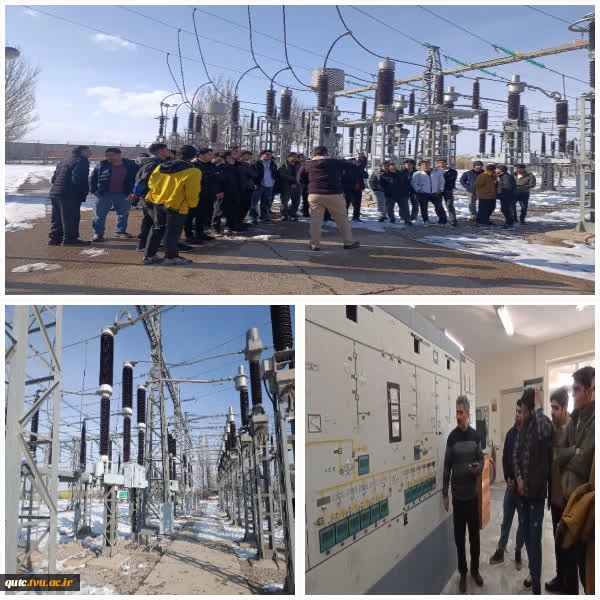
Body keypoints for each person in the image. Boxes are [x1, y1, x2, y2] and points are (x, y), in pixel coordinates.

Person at [556, 366, 595, 594]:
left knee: (586, 569)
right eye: (573, 389)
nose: (574, 394)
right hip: (567, 500)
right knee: (570, 560)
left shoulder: (594, 421)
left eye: (577, 389)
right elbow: (559, 455)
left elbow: (584, 463)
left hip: (584, 505)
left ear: (590, 390)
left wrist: (569, 456)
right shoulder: (574, 420)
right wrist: (574, 451)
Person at [442, 395, 484, 593]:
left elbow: (481, 460)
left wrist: (478, 468)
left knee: (474, 538)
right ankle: (463, 573)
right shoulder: (452, 438)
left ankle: (475, 570)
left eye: (461, 412)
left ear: (467, 413)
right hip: (458, 499)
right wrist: (445, 493)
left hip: (472, 498)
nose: (458, 416)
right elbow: (446, 467)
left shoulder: (476, 436)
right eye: (456, 412)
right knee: (460, 540)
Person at [513, 387, 553, 595]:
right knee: (528, 538)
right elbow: (515, 455)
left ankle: (536, 584)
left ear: (531, 408)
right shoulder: (522, 428)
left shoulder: (542, 424)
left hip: (536, 496)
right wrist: (519, 478)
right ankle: (532, 572)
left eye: (526, 409)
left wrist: (537, 407)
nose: (523, 413)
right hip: (523, 494)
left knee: (535, 540)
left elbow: (546, 431)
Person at [143, 145, 201, 266]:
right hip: (177, 204)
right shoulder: (193, 171)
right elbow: (192, 191)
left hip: (158, 202)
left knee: (157, 228)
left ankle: (149, 255)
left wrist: (158, 196)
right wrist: (192, 204)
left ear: (178, 154)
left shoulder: (161, 167)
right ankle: (171, 256)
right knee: (173, 231)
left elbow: (152, 183)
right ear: (194, 156)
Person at [296, 145, 359, 252]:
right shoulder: (336, 162)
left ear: (314, 154)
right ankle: (348, 242)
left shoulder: (307, 164)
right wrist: (361, 158)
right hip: (334, 194)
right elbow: (356, 167)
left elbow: (300, 179)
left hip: (314, 194)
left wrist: (311, 184)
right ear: (326, 153)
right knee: (342, 219)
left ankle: (314, 244)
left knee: (315, 221)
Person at [489, 399, 525, 568]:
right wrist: (508, 479)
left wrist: (520, 481)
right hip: (510, 488)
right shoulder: (510, 434)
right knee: (506, 521)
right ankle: (500, 551)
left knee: (523, 524)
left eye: (520, 411)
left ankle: (518, 551)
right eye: (516, 411)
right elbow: (505, 458)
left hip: (522, 489)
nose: (517, 414)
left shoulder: (528, 435)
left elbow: (527, 463)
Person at [545, 387, 571, 593]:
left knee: (569, 547)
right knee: (557, 542)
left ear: (564, 408)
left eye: (555, 408)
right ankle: (560, 577)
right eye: (551, 407)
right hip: (554, 498)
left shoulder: (572, 429)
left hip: (568, 500)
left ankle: (569, 587)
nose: (552, 412)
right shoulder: (553, 430)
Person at [89, 147, 139, 242]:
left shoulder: (131, 165)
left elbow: (137, 179)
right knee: (99, 215)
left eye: (111, 155)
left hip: (124, 194)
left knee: (123, 214)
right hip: (104, 194)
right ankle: (98, 234)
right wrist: (93, 190)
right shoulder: (102, 165)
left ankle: (120, 231)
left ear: (119, 155)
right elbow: (92, 178)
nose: (108, 157)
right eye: (107, 155)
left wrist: (134, 192)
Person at [130, 142, 172, 251]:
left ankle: (145, 244)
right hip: (149, 196)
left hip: (157, 196)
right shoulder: (153, 164)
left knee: (150, 220)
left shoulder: (162, 163)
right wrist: (136, 194)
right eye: (166, 149)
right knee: (157, 222)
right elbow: (142, 180)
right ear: (160, 151)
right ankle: (150, 247)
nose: (168, 151)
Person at [48, 145, 93, 246]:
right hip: (70, 194)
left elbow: (54, 179)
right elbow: (78, 179)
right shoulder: (82, 160)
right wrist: (82, 192)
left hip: (55, 193)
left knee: (57, 217)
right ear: (83, 151)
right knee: (71, 218)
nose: (91, 153)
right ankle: (70, 239)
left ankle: (55, 238)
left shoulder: (64, 160)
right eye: (89, 151)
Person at [186, 147, 222, 242]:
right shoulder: (194, 165)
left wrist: (217, 191)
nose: (211, 156)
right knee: (193, 215)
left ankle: (200, 233)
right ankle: (190, 235)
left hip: (209, 195)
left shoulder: (212, 165)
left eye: (211, 154)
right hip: (197, 195)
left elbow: (216, 179)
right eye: (209, 154)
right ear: (201, 155)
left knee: (204, 215)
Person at [410, 160, 447, 226]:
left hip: (435, 193)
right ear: (420, 166)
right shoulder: (417, 174)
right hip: (423, 193)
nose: (425, 165)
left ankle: (443, 221)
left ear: (430, 164)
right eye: (423, 164)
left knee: (439, 207)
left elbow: (441, 182)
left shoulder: (437, 172)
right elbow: (414, 182)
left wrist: (440, 189)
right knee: (424, 208)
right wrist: (418, 190)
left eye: (427, 164)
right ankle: (426, 220)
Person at [216, 151, 242, 234]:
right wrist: (219, 191)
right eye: (234, 154)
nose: (237, 155)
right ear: (228, 157)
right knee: (219, 210)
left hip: (235, 191)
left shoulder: (236, 166)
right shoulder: (220, 166)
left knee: (233, 209)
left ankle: (230, 226)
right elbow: (217, 181)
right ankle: (215, 228)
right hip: (224, 191)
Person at [250, 149, 278, 223]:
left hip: (269, 185)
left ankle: (264, 218)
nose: (269, 156)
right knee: (254, 203)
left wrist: (274, 181)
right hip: (259, 185)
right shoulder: (256, 163)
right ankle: (253, 218)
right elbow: (252, 174)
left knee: (266, 203)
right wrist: (255, 183)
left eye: (270, 155)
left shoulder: (272, 163)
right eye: (267, 154)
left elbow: (275, 173)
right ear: (262, 155)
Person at [278, 152, 301, 221]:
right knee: (284, 201)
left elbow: (302, 174)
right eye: (293, 156)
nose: (295, 158)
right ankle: (284, 214)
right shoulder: (283, 165)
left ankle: (293, 214)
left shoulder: (300, 165)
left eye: (296, 156)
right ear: (288, 157)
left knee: (296, 201)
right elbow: (282, 175)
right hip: (286, 186)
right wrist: (295, 179)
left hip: (298, 186)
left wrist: (297, 182)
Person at [236, 150, 255, 227]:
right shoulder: (236, 164)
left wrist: (250, 167)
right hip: (240, 189)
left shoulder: (248, 165)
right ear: (241, 155)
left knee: (246, 206)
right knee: (239, 206)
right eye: (247, 155)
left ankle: (241, 221)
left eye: (249, 156)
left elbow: (254, 174)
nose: (249, 157)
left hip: (248, 188)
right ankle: (237, 222)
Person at [436, 159, 458, 227]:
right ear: (437, 164)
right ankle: (442, 219)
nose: (441, 164)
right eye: (439, 162)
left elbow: (450, 180)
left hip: (448, 190)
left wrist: (440, 182)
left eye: (443, 162)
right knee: (438, 205)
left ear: (446, 163)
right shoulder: (435, 171)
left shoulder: (453, 172)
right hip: (438, 190)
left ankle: (453, 220)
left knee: (449, 205)